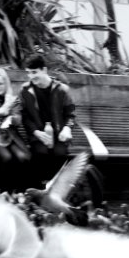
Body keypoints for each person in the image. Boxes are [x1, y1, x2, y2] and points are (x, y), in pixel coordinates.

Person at [19, 54, 77, 185]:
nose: (31, 76)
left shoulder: (62, 89)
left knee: (60, 154)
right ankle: (38, 190)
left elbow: (71, 113)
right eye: (28, 73)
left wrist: (67, 129)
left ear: (44, 70)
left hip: (59, 136)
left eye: (34, 72)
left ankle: (57, 190)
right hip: (38, 136)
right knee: (40, 153)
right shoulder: (25, 90)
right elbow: (25, 116)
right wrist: (36, 132)